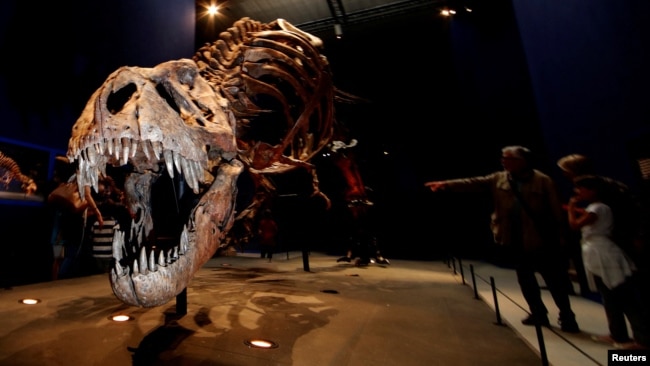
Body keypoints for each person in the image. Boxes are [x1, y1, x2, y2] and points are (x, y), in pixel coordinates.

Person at [424, 145, 580, 332]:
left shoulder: (543, 181)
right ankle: (538, 313)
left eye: (508, 159)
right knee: (526, 279)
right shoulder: (499, 178)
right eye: (503, 158)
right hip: (513, 238)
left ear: (521, 161)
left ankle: (567, 316)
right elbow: (473, 182)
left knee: (554, 280)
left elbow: (555, 212)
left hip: (540, 239)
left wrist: (560, 238)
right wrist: (446, 184)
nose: (503, 161)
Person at [567, 175, 649, 349]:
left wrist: (571, 208)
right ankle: (618, 334)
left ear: (593, 190)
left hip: (606, 255)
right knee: (610, 298)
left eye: (581, 188)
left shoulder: (598, 207)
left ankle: (642, 340)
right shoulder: (596, 207)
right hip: (598, 255)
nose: (577, 192)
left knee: (624, 299)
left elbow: (575, 225)